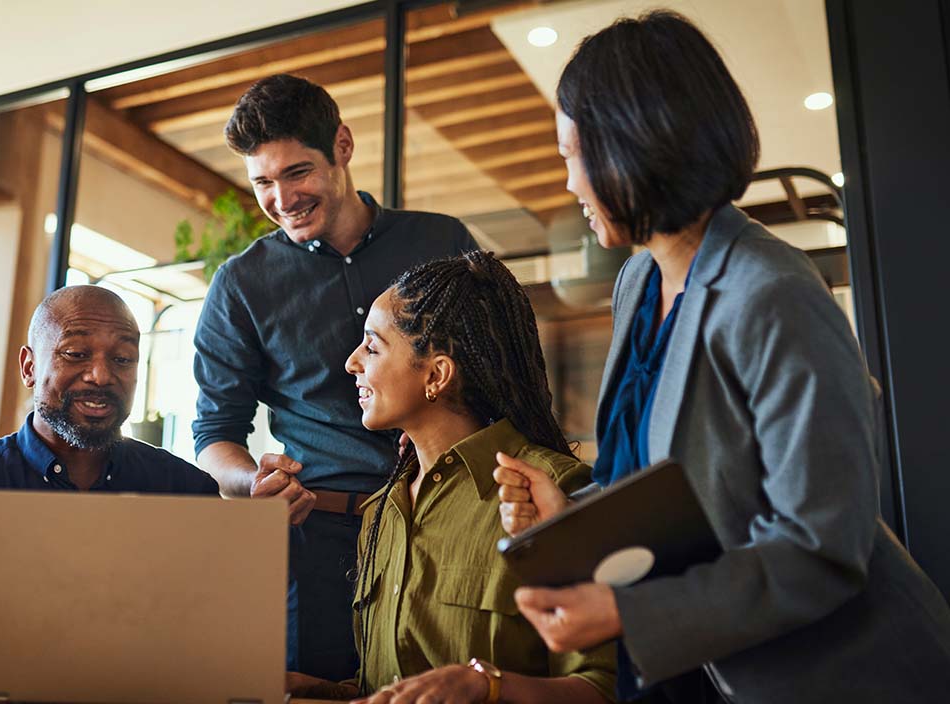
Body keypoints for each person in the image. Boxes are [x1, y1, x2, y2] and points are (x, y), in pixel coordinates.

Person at [493, 10, 950, 704]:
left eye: (570, 155)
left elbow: (819, 546)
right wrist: (570, 513)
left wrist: (627, 612)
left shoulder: (773, 293)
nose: (568, 186)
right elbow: (680, 481)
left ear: (633, 145)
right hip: (684, 673)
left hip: (822, 678)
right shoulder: (638, 281)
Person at [193, 73, 477, 680]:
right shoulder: (240, 286)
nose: (282, 198)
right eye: (262, 182)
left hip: (449, 523)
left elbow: (495, 374)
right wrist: (252, 483)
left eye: (297, 173)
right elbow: (214, 435)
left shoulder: (442, 241)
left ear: (342, 147)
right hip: (319, 542)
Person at [286, 251, 617, 703]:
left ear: (437, 375)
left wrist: (488, 686)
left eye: (373, 346)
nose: (352, 362)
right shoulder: (382, 511)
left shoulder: (552, 491)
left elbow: (602, 688)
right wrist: (319, 691)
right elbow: (390, 688)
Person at [0, 286, 221, 693]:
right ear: (30, 366)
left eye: (122, 359)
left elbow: (218, 637)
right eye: (76, 353)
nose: (101, 376)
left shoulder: (186, 491)